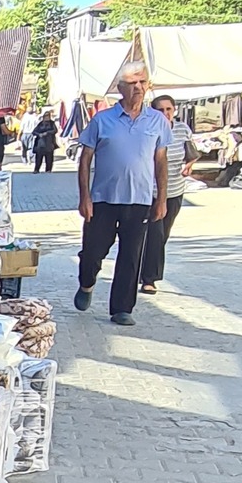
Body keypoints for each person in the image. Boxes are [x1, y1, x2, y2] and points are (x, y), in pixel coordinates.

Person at [73, 61, 169, 325]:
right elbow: (85, 159)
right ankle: (87, 283)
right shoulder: (102, 120)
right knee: (93, 251)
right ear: (120, 88)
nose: (138, 88)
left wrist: (161, 199)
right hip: (103, 198)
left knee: (130, 255)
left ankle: (122, 308)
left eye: (142, 82)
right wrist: (85, 197)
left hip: (139, 200)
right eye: (132, 83)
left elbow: (161, 161)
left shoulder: (157, 121)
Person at [140, 92, 196, 292]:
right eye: (160, 110)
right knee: (155, 233)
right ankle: (149, 279)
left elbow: (191, 153)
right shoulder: (148, 130)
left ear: (175, 110)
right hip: (152, 191)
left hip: (175, 189)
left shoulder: (182, 130)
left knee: (164, 234)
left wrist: (189, 165)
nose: (165, 113)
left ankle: (146, 271)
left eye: (168, 109)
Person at [29, 111, 58, 175]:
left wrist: (47, 133)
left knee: (49, 158)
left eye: (48, 116)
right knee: (39, 157)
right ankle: (36, 169)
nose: (47, 117)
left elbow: (55, 130)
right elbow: (34, 132)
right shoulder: (40, 124)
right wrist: (39, 134)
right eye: (46, 116)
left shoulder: (52, 123)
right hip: (40, 143)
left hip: (49, 143)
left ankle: (48, 169)